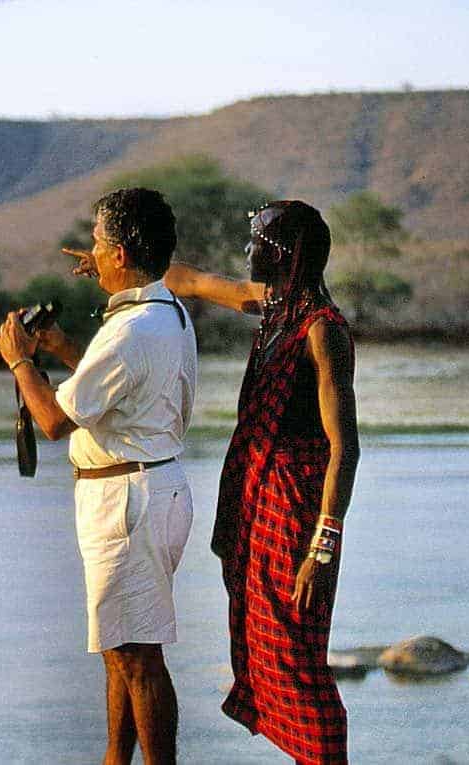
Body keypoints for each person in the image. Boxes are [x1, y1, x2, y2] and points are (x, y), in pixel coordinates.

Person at [148, 200, 357, 763]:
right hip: (254, 502)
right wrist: (123, 268)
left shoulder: (321, 330)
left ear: (285, 254)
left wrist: (323, 546)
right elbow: (190, 280)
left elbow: (345, 447)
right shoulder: (271, 307)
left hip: (295, 513)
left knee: (298, 658)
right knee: (271, 650)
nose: (250, 252)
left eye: (260, 241)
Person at [0, 187, 197, 765]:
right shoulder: (161, 311)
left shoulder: (130, 330)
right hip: (147, 488)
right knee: (123, 647)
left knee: (137, 655)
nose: (90, 254)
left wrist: (19, 359)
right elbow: (118, 391)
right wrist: (61, 348)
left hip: (128, 500)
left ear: (123, 252)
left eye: (98, 245)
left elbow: (56, 420)